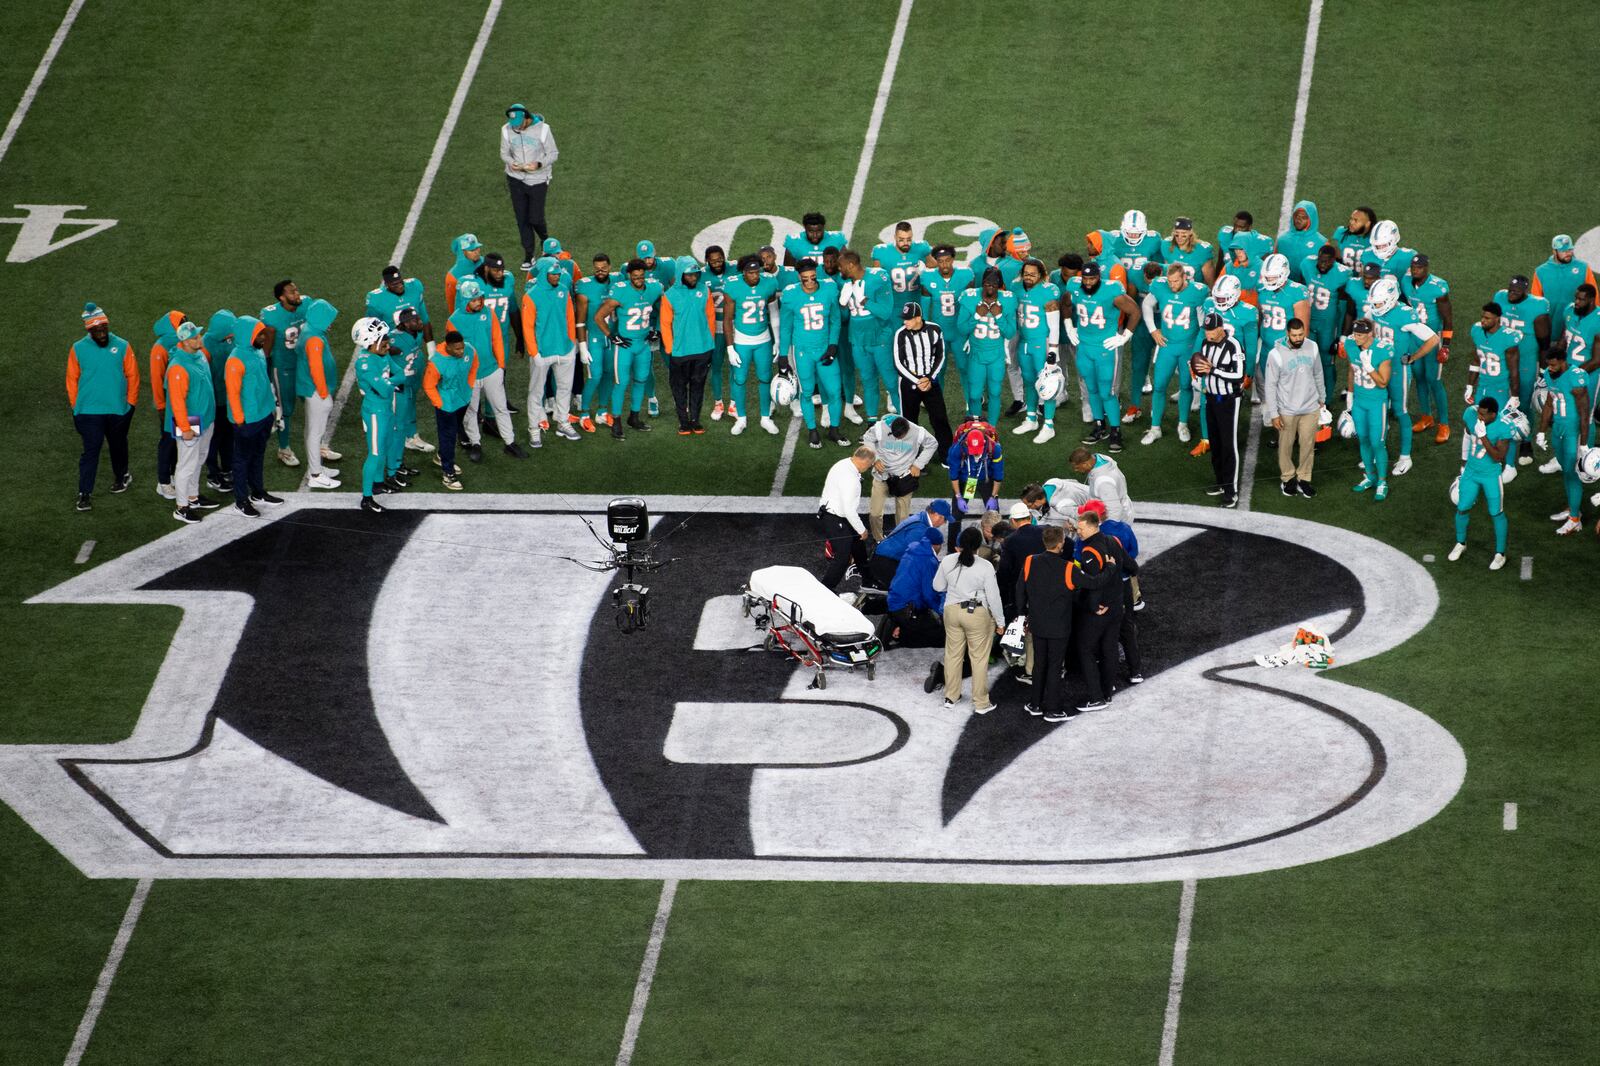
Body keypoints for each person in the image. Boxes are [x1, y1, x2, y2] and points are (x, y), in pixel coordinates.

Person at [67, 303, 139, 511]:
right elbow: (72, 379)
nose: (101, 333)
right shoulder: (78, 348)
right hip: (88, 412)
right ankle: (84, 493)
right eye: (96, 330)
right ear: (88, 330)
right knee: (91, 451)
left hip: (118, 409)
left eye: (103, 328)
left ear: (107, 325)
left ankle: (121, 476)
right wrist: (76, 407)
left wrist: (131, 403)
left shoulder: (123, 346)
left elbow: (133, 375)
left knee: (118, 445)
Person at [1365, 275, 1439, 477]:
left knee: (1400, 410)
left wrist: (1413, 357)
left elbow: (1433, 338)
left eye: (1379, 302)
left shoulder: (1405, 315)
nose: (1375, 305)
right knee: (1378, 410)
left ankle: (1405, 456)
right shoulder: (1375, 310)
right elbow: (1368, 325)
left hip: (1398, 370)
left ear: (1390, 299)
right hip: (1378, 367)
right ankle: (1378, 451)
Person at [1063, 261, 1139, 449]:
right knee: (1091, 390)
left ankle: (1115, 431)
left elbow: (1135, 311)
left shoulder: (1111, 291)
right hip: (1085, 348)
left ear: (1099, 277)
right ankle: (1099, 426)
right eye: (1085, 278)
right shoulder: (1074, 286)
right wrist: (1069, 326)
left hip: (1105, 348)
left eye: (1092, 278)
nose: (1088, 282)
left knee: (1108, 392)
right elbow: (1064, 303)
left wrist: (1124, 337)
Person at [933, 526, 1005, 714]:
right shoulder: (985, 566)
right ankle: (981, 702)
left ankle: (951, 696)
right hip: (976, 614)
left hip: (951, 612)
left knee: (953, 655)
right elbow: (994, 597)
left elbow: (938, 586)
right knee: (979, 659)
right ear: (977, 546)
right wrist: (1000, 621)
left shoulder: (948, 561)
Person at [779, 258, 846, 449]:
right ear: (799, 277)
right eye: (805, 279)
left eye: (812, 278)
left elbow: (835, 320)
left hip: (825, 349)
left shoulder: (828, 289)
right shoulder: (791, 295)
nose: (809, 283)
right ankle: (812, 430)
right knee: (807, 392)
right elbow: (785, 327)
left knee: (834, 392)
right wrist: (783, 355)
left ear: (817, 275)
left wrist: (833, 345)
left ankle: (834, 429)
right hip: (803, 352)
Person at [597, 258, 666, 440]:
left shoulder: (653, 288)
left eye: (641, 276)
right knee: (621, 383)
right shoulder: (621, 290)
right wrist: (612, 336)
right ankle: (617, 421)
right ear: (629, 276)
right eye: (635, 277)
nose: (639, 280)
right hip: (625, 346)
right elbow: (599, 317)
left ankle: (634, 417)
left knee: (641, 380)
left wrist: (657, 329)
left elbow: (664, 308)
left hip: (643, 344)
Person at [1142, 263, 1210, 445]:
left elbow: (1204, 322)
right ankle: (1155, 428)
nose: (1172, 285)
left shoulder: (1198, 291)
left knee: (1186, 386)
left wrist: (1199, 347)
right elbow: (1147, 304)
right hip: (1167, 346)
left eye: (1176, 281)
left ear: (1184, 277)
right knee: (1159, 387)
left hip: (1188, 347)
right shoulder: (1160, 285)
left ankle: (1183, 424)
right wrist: (1153, 330)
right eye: (1170, 281)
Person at [452, 279, 519, 458]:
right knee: (471, 411)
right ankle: (475, 443)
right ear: (465, 301)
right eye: (474, 300)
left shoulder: (488, 313)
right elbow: (453, 352)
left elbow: (497, 338)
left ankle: (510, 442)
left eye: (480, 298)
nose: (478, 302)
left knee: (501, 407)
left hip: (491, 370)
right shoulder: (453, 321)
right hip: (469, 375)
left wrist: (501, 366)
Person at [223, 315, 283, 517]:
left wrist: (272, 408)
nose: (264, 337)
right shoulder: (235, 360)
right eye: (259, 334)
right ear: (248, 335)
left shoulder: (255, 352)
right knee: (242, 460)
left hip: (263, 414)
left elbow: (264, 382)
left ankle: (258, 492)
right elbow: (232, 392)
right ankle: (241, 500)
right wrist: (239, 419)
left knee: (258, 455)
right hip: (247, 420)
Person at [1016, 524, 1077, 721]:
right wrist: (1110, 568)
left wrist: (1022, 615)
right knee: (1054, 666)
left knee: (1040, 664)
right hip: (1059, 627)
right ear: (1061, 543)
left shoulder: (1029, 561)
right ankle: (1052, 709)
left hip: (1037, 623)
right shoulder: (1068, 568)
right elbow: (1091, 584)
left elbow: (1019, 591)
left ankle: (1035, 703)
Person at [1070, 506, 1127, 712]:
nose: (1079, 532)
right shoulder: (1113, 541)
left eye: (1081, 529)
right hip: (1116, 605)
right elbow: (1131, 567)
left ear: (1093, 527)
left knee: (1085, 648)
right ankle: (1107, 691)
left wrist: (1094, 607)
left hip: (1100, 609)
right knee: (1109, 648)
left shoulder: (1089, 550)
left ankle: (1096, 697)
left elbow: (1094, 583)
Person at [1262, 317, 1326, 497]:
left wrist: (1322, 398)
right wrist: (1274, 413)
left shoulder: (1312, 346)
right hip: (1286, 410)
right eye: (1294, 335)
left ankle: (1304, 479)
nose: (1298, 338)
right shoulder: (1275, 354)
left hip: (1310, 407)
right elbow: (1270, 385)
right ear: (1287, 334)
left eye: (1301, 334)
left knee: (1308, 445)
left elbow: (1318, 373)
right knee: (1285, 446)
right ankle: (1288, 478)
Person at [722, 253, 783, 436]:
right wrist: (730, 347)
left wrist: (777, 340)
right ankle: (741, 418)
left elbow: (773, 312)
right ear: (743, 273)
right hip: (742, 339)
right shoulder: (733, 286)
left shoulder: (769, 282)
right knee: (739, 380)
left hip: (763, 339)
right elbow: (727, 320)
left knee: (765, 378)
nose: (755, 275)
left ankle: (765, 417)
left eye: (757, 271)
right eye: (751, 273)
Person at [163, 320, 218, 523]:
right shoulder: (178, 367)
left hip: (206, 418)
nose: (199, 339)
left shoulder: (200, 355)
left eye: (198, 335)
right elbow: (177, 402)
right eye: (195, 337)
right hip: (190, 421)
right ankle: (181, 507)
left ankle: (193, 497)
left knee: (199, 458)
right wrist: (185, 428)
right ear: (185, 342)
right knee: (186, 464)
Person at [1491, 274, 1551, 458]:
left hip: (1525, 361)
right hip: (1502, 359)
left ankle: (1526, 443)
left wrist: (1542, 371)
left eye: (1516, 291)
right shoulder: (1500, 297)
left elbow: (1544, 343)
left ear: (1526, 291)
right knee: (1501, 399)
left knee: (1523, 403)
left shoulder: (1537, 306)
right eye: (1510, 289)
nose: (1511, 294)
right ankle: (1501, 437)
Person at [1449, 396, 1511, 570]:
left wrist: (1483, 437)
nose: (1480, 417)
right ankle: (1461, 543)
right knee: (1462, 507)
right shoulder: (1471, 414)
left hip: (1491, 475)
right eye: (1479, 413)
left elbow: (1499, 456)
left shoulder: (1503, 427)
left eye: (1484, 415)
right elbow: (1468, 431)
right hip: (1471, 471)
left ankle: (1500, 554)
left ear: (1493, 414)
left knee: (1496, 512)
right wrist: (1464, 460)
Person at [1536, 345, 1590, 535]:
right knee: (1565, 471)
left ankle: (1575, 519)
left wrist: (1583, 443)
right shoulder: (1550, 375)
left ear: (1562, 361)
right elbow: (1549, 404)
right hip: (1558, 429)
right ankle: (1572, 509)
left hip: (1572, 432)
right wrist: (1541, 431)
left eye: (1552, 365)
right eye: (1548, 365)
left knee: (1571, 472)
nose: (1549, 368)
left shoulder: (1576, 378)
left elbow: (1584, 414)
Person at [1194, 311, 1247, 507]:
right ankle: (1220, 482)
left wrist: (1213, 370)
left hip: (1228, 401)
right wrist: (1198, 372)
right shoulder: (1206, 344)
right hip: (1211, 398)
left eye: (1211, 330)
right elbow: (1203, 367)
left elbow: (1240, 375)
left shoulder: (1234, 345)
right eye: (1206, 330)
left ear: (1220, 328)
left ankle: (1231, 491)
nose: (1208, 333)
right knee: (1215, 443)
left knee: (1228, 445)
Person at [1400, 253, 1454, 443]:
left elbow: (1448, 318)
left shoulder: (1437, 288)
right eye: (1414, 267)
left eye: (1420, 268)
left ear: (1427, 268)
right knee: (1419, 378)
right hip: (1415, 337)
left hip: (1433, 338)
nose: (1416, 270)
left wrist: (1445, 346)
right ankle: (1427, 416)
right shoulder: (1405, 281)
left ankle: (1444, 423)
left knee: (1434, 380)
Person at [837, 249, 897, 420]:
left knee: (891, 382)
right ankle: (872, 422)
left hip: (880, 339)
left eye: (841, 267)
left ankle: (905, 420)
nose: (839, 270)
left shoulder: (878, 278)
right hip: (858, 340)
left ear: (851, 265)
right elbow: (846, 317)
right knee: (868, 382)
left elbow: (885, 312)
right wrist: (842, 305)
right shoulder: (848, 285)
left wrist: (865, 301)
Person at [660, 256, 717, 434]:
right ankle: (683, 422)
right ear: (680, 275)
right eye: (689, 275)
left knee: (698, 385)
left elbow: (710, 318)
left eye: (696, 274)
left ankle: (695, 420)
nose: (694, 278)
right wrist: (670, 348)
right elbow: (665, 324)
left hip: (703, 350)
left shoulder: (705, 291)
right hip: (679, 352)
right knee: (679, 387)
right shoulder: (669, 296)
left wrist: (710, 342)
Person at [958, 267, 1018, 426]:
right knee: (975, 394)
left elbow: (1011, 332)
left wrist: (998, 316)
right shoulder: (969, 297)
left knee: (995, 392)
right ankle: (976, 425)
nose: (990, 287)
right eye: (987, 284)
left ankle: (991, 428)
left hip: (996, 355)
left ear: (1000, 285)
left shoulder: (1008, 300)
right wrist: (977, 316)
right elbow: (962, 328)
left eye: (994, 284)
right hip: (976, 354)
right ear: (982, 283)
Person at [1012, 258, 1064, 443]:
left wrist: (1053, 349)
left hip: (1042, 343)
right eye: (1026, 273)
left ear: (1041, 275)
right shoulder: (1016, 288)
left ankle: (1048, 425)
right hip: (1024, 342)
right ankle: (1031, 418)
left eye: (1033, 274)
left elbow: (1054, 324)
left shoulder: (1048, 291)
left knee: (1047, 384)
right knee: (1028, 381)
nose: (1028, 277)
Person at [1465, 302, 1521, 470]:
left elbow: (1514, 371)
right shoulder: (1477, 331)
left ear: (1498, 319)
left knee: (1505, 428)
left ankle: (1510, 466)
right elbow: (1476, 359)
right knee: (1477, 425)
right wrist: (1470, 385)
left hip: (1500, 389)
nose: (1483, 320)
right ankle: (1477, 458)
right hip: (1482, 386)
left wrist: (1515, 395)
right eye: (1482, 316)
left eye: (1487, 318)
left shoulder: (1508, 338)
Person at [861, 415, 937, 540]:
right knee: (874, 514)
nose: (897, 438)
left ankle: (899, 540)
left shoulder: (918, 431)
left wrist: (918, 464)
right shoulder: (880, 427)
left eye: (900, 436)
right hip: (882, 476)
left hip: (904, 478)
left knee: (903, 517)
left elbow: (932, 443)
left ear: (907, 430)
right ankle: (878, 539)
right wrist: (875, 459)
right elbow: (867, 438)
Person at [501, 104, 558, 269]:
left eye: (519, 123)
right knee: (522, 219)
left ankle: (546, 241)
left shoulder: (543, 129)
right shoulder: (506, 130)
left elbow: (553, 153)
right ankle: (529, 255)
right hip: (515, 179)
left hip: (538, 179)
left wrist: (539, 164)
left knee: (535, 218)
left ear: (527, 118)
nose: (515, 127)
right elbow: (504, 153)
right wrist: (512, 163)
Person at [352, 316, 399, 514]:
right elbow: (387, 388)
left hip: (385, 408)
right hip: (374, 411)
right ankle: (366, 497)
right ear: (370, 342)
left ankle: (378, 483)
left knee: (385, 446)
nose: (387, 345)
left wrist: (392, 382)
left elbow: (400, 373)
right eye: (382, 340)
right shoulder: (365, 363)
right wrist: (393, 382)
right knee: (375, 452)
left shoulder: (381, 355)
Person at [1343, 319, 1394, 500]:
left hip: (1376, 403)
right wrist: (1349, 395)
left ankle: (1382, 481)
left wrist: (1369, 367)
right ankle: (1370, 477)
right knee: (1363, 440)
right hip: (1359, 402)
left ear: (1370, 334)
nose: (1356, 338)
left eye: (1360, 335)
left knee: (1377, 442)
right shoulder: (1350, 344)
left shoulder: (1382, 350)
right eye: (1355, 334)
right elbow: (1351, 369)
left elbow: (1382, 382)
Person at [892, 301, 953, 452]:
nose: (904, 322)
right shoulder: (901, 334)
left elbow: (940, 355)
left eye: (908, 318)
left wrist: (930, 378)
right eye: (904, 318)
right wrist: (918, 380)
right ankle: (911, 456)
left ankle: (947, 454)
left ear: (918, 318)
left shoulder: (935, 329)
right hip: (908, 383)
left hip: (930, 381)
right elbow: (898, 363)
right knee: (909, 422)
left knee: (940, 418)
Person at [259, 280, 307, 468]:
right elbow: (265, 344)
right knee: (285, 410)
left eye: (296, 290)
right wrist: (266, 367)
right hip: (284, 367)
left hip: (304, 364)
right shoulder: (271, 315)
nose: (297, 294)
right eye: (292, 292)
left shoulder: (306, 304)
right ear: (281, 297)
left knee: (313, 404)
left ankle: (319, 444)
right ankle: (284, 449)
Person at [295, 299, 341, 489]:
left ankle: (316, 468)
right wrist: (324, 393)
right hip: (315, 391)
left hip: (310, 388)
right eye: (328, 318)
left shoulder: (309, 329)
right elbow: (316, 368)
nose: (331, 322)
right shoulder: (314, 338)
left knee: (312, 432)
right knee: (315, 433)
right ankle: (315, 474)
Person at [423, 330, 477, 491]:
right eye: (457, 349)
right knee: (448, 436)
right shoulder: (437, 362)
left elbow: (474, 365)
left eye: (461, 348)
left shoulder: (469, 349)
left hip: (463, 399)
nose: (461, 352)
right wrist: (440, 403)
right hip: (447, 405)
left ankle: (441, 457)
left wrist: (469, 385)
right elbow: (428, 385)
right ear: (448, 347)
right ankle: (448, 473)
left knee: (454, 432)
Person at [918, 243, 974, 390]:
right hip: (938, 332)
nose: (944, 264)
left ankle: (972, 405)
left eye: (947, 260)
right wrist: (924, 331)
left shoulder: (966, 276)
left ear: (953, 259)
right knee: (937, 371)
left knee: (965, 368)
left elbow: (972, 306)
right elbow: (924, 308)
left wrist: (971, 330)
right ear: (936, 261)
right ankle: (938, 407)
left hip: (959, 332)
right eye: (941, 261)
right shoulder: (927, 278)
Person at [1301, 244, 1353, 402]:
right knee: (1306, 361)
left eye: (1327, 262)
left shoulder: (1343, 273)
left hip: (1328, 326)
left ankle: (1327, 401)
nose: (1323, 265)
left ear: (1334, 261)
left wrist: (1340, 336)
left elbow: (1344, 306)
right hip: (1308, 321)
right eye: (1321, 261)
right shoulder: (1307, 264)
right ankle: (1308, 398)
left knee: (1326, 363)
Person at [818, 445, 875, 589]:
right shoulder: (851, 479)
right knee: (842, 556)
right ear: (864, 462)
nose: (868, 469)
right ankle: (825, 589)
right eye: (869, 466)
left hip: (834, 513)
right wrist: (862, 530)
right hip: (835, 517)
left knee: (858, 547)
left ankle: (868, 580)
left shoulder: (843, 463)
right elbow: (848, 510)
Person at [573, 253, 617, 432]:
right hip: (594, 337)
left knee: (608, 374)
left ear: (609, 267)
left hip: (611, 337)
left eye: (604, 268)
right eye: (597, 268)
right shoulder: (585, 287)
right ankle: (584, 413)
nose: (600, 271)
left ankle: (602, 411)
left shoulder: (617, 281)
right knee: (595, 375)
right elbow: (581, 321)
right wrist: (582, 346)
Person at [865, 499, 952, 589]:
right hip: (884, 563)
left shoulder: (921, 518)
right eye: (945, 519)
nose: (944, 523)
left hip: (885, 558)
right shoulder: (920, 529)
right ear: (937, 515)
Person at [883, 525, 946, 647]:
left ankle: (899, 625)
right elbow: (929, 595)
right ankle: (901, 634)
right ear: (937, 545)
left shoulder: (911, 551)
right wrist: (943, 612)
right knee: (942, 637)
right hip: (908, 610)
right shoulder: (929, 561)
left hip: (894, 603)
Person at [946, 422, 1004, 548]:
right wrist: (958, 497)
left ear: (984, 443)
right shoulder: (956, 449)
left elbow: (998, 475)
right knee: (955, 515)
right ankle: (952, 549)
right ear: (966, 443)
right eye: (974, 451)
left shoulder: (994, 448)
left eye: (978, 451)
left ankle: (996, 547)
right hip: (966, 480)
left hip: (985, 480)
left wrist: (993, 496)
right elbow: (954, 476)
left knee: (994, 515)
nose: (976, 454)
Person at [148, 310, 186, 500]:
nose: (185, 324)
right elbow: (156, 380)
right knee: (168, 442)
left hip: (186, 403)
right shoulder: (160, 348)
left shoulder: (182, 342)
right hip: (169, 405)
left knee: (183, 441)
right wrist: (161, 406)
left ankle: (174, 476)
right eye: (181, 322)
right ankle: (163, 482)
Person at [1532, 234, 1597, 340]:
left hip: (1577, 327)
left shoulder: (1583, 267)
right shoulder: (1541, 271)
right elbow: (1536, 301)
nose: (1568, 253)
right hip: (1551, 327)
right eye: (1563, 251)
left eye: (1570, 250)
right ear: (1554, 251)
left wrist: (1595, 318)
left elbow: (1594, 295)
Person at [1071, 446, 1133, 524]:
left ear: (1086, 464)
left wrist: (1110, 531)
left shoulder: (1103, 482)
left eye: (1077, 467)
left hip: (1117, 520)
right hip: (1118, 507)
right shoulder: (1100, 458)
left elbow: (1115, 510)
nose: (1075, 470)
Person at [872, 221, 934, 297]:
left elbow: (936, 270)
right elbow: (876, 281)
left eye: (909, 239)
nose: (905, 243)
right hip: (893, 304)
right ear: (895, 237)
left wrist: (926, 273)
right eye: (901, 239)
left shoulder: (921, 248)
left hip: (917, 302)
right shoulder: (882, 252)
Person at [1276, 200, 1326, 283]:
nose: (1298, 220)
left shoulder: (1322, 243)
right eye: (1296, 216)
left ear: (1311, 220)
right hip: (1286, 287)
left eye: (1304, 217)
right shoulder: (1282, 240)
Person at [1332, 206, 1378, 271]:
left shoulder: (1376, 240)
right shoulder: (1341, 233)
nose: (1351, 222)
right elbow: (1336, 257)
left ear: (1368, 224)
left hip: (1366, 279)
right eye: (1351, 219)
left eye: (1356, 220)